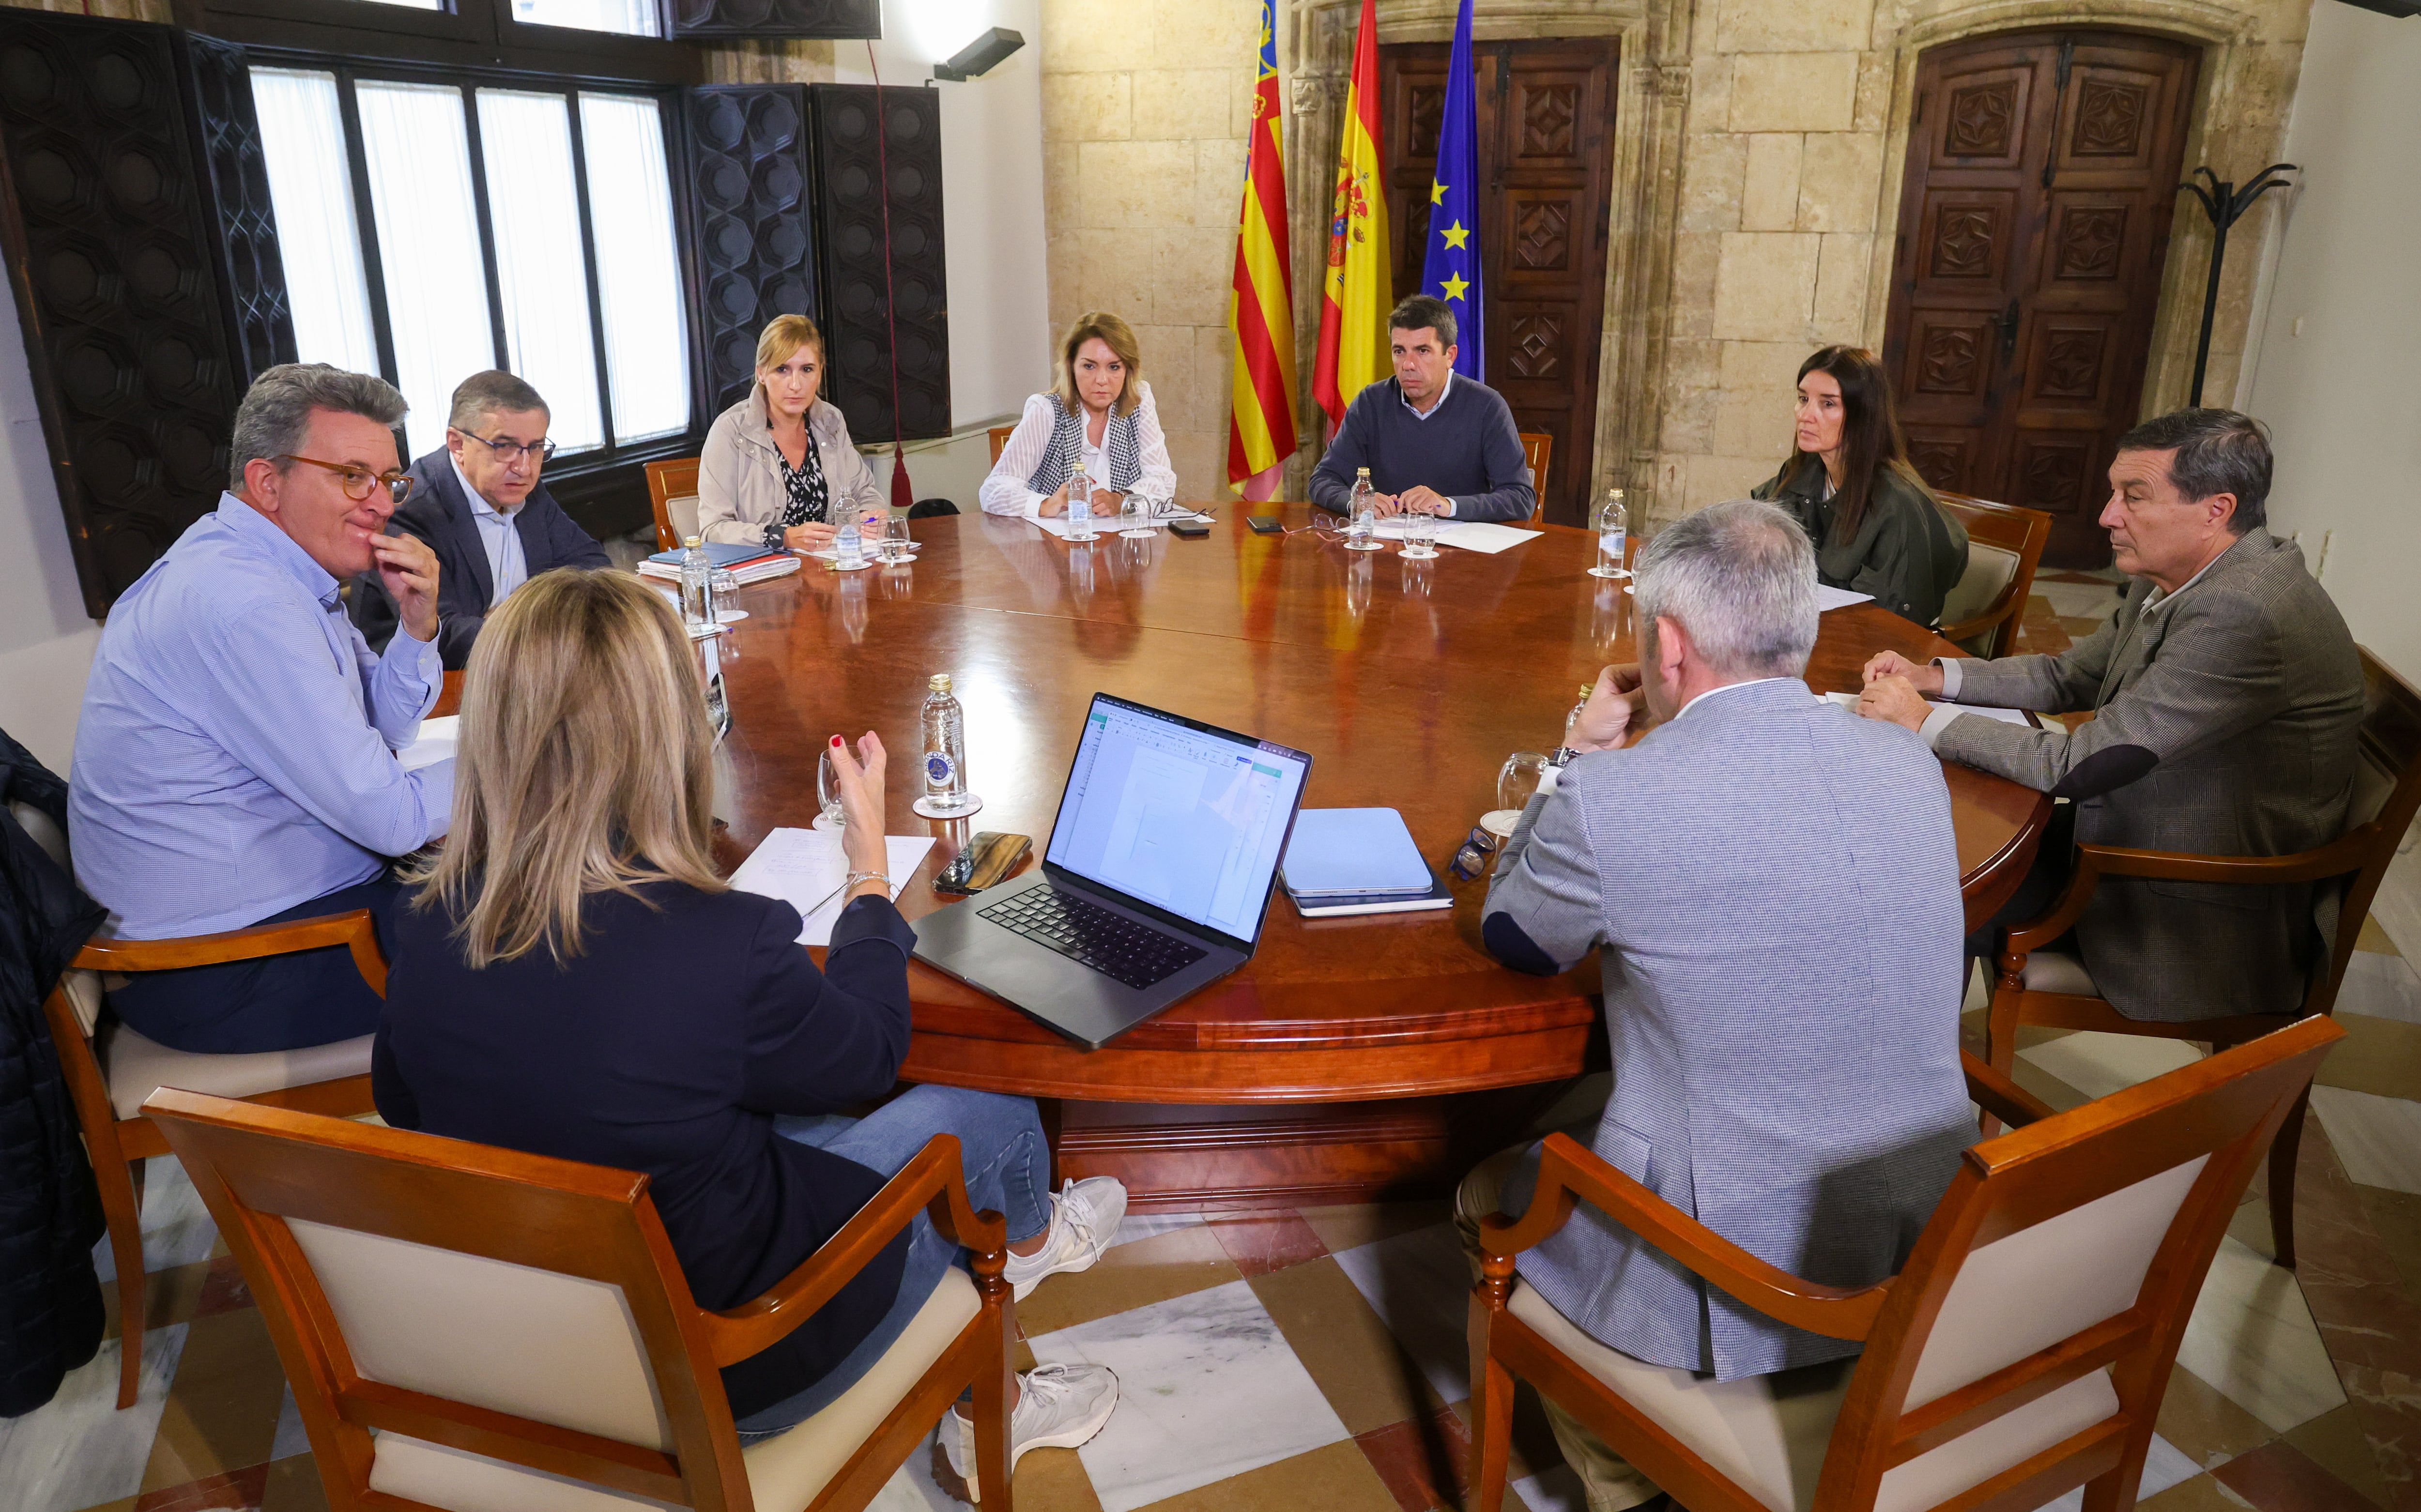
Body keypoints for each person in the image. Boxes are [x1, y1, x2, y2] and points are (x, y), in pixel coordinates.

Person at [370, 570, 1123, 1490]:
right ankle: (1011, 1317)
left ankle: (1029, 1246)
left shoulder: (424, 921)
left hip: (538, 1349)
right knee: (990, 1110)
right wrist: (869, 873)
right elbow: (866, 1054)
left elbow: (402, 1108)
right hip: (734, 1360)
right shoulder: (716, 941)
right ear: (667, 733)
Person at [1466, 499, 1974, 1512]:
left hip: (1742, 1269)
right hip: (1929, 1223)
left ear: (1666, 646)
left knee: (1491, 1192)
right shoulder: (1904, 759)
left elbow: (1514, 936)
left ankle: (1635, 1469)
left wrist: (1573, 760)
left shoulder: (1617, 800)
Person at [1858, 408, 2363, 1023]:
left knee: (1923, 899)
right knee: (1924, 856)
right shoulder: (2177, 576)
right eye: (2112, 492)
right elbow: (2070, 675)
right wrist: (1931, 679)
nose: (2106, 515)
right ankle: (1914, 1067)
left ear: (2216, 510)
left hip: (2184, 900)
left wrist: (1922, 721)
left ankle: (1910, 1086)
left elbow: (2086, 762)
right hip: (2124, 834)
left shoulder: (2242, 613)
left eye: (2134, 496)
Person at [68, 364, 451, 1054]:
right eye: (351, 475)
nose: (381, 504)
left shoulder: (269, 568)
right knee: (552, 926)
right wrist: (530, 761)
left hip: (265, 923)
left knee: (531, 887)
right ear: (267, 483)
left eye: (389, 481)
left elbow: (387, 727)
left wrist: (417, 627)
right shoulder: (246, 603)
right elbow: (392, 819)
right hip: (221, 968)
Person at [350, 370, 611, 669]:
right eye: (505, 446)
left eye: (536, 447)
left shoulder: (522, 489)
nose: (525, 467)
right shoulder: (409, 509)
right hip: (421, 689)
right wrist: (541, 627)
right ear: (458, 444)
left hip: (519, 668)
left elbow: (594, 569)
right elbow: (441, 636)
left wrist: (511, 617)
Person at [1749, 346, 1968, 628]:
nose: (1806, 414)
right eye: (1803, 399)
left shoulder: (1896, 502)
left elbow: (1896, 619)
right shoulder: (1798, 473)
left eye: (1828, 404)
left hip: (1879, 652)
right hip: (1804, 629)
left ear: (1864, 414)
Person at [1308, 295, 1535, 523]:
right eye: (1399, 351)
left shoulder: (1487, 406)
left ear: (1450, 356)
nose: (1408, 365)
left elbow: (1520, 498)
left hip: (1462, 549)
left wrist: (1448, 506)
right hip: (1385, 546)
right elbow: (1323, 480)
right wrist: (1357, 500)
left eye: (1422, 351)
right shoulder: (1371, 402)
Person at [698, 313, 886, 551]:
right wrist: (781, 537)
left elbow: (865, 494)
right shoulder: (730, 430)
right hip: (763, 578)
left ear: (820, 372)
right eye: (782, 369)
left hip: (829, 569)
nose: (796, 384)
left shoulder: (831, 420)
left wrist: (866, 518)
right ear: (761, 374)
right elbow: (712, 530)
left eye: (807, 369)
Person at [979, 311, 1178, 519]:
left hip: (1122, 545)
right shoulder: (1046, 410)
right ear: (1071, 367)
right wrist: (1047, 504)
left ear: (1128, 370)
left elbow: (1163, 480)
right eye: (1089, 366)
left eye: (1114, 367)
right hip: (1056, 546)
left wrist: (1122, 500)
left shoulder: (1139, 400)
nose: (1102, 380)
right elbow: (993, 492)